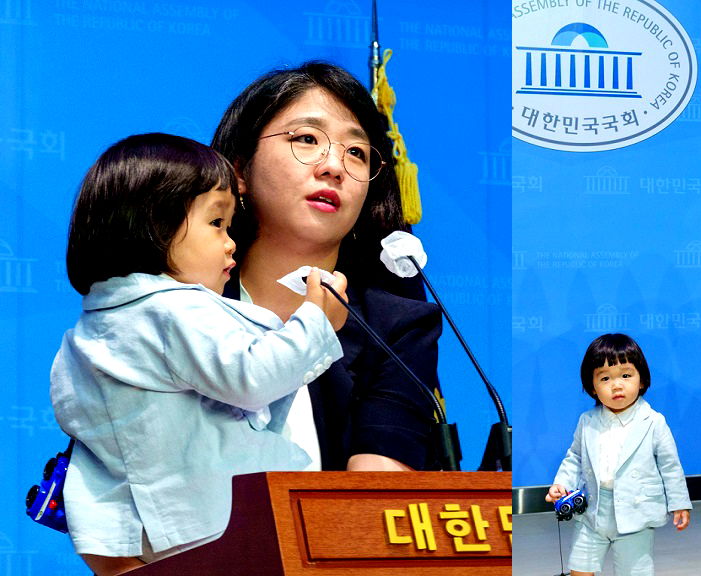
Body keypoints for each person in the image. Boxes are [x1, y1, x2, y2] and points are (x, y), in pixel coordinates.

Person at [51, 133, 348, 575]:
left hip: (140, 538)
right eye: (217, 224)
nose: (231, 243)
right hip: (207, 529)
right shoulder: (174, 308)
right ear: (156, 225)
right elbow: (253, 378)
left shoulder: (93, 325)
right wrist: (315, 320)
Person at [211, 61, 445, 472]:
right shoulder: (187, 304)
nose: (333, 166)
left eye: (356, 152)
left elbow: (375, 503)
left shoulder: (396, 329)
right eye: (306, 139)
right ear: (240, 170)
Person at [545, 333, 692, 576]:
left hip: (636, 513)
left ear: (642, 380)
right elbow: (575, 457)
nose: (616, 385)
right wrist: (561, 484)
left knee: (634, 571)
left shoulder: (653, 422)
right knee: (580, 568)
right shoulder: (587, 421)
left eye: (626, 375)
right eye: (605, 378)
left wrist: (679, 503)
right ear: (592, 388)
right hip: (592, 511)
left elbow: (670, 466)